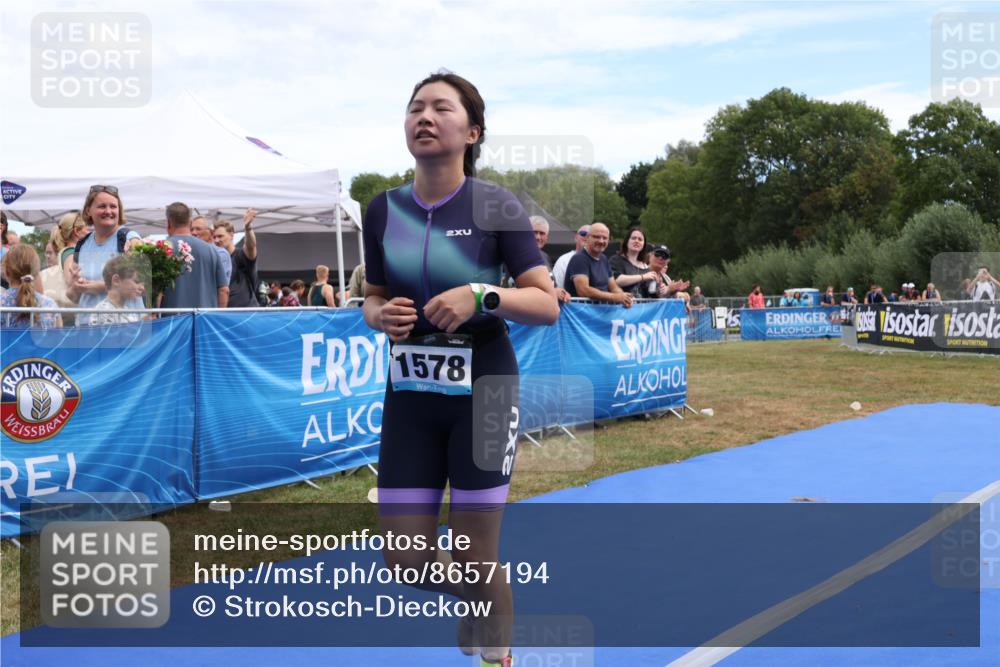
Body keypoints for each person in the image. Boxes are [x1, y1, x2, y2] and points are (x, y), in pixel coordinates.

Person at [361, 71, 558, 667]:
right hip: (411, 396)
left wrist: (482, 294)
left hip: (485, 392)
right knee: (406, 560)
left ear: (471, 131)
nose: (424, 116)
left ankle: (497, 653)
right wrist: (380, 317)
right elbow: (370, 296)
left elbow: (546, 303)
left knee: (475, 555)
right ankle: (490, 602)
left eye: (441, 108)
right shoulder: (382, 209)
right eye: (415, 106)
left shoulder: (497, 205)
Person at [65, 185, 143, 315]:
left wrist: (101, 287)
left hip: (124, 327)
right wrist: (76, 287)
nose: (108, 211)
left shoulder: (128, 238)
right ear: (89, 210)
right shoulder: (82, 244)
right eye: (102, 206)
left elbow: (140, 286)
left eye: (113, 206)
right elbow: (74, 298)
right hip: (89, 327)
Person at [160, 202, 229, 309]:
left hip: (173, 322)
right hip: (205, 320)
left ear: (168, 223)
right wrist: (217, 316)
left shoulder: (161, 249)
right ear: (190, 222)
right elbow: (223, 290)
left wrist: (153, 313)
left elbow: (154, 292)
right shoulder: (212, 251)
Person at [564, 222, 632, 307]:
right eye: (596, 237)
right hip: (581, 316)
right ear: (587, 238)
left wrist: (624, 298)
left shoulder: (604, 259)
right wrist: (614, 297)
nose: (601, 241)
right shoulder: (579, 259)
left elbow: (613, 287)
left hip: (600, 315)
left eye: (605, 238)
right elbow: (583, 290)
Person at [1, 244, 61, 329]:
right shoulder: (50, 306)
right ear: (36, 273)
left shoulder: (2, 303)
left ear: (6, 273)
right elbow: (57, 340)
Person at [212, 209, 258, 307]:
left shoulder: (240, 254)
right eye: (214, 237)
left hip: (245, 313)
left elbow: (251, 246)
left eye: (220, 236)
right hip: (223, 313)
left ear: (231, 235)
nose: (216, 240)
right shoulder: (214, 259)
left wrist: (248, 227)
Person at [80, 255, 145, 325]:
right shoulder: (103, 312)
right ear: (116, 280)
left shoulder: (128, 311)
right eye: (136, 281)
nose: (142, 288)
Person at [609, 227, 657, 298]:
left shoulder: (646, 268)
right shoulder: (616, 260)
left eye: (640, 239)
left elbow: (651, 293)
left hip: (642, 307)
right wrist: (642, 277)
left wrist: (665, 290)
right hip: (620, 306)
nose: (636, 241)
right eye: (633, 238)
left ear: (643, 245)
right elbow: (616, 281)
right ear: (627, 241)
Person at [551, 225, 588, 303]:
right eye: (583, 233)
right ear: (576, 237)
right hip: (569, 308)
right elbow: (557, 287)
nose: (587, 236)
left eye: (591, 235)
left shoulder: (600, 261)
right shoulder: (563, 260)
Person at [192, 215, 232, 285]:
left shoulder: (220, 254)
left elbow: (222, 287)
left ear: (211, 232)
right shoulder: (190, 253)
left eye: (198, 229)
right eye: (191, 229)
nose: (194, 233)